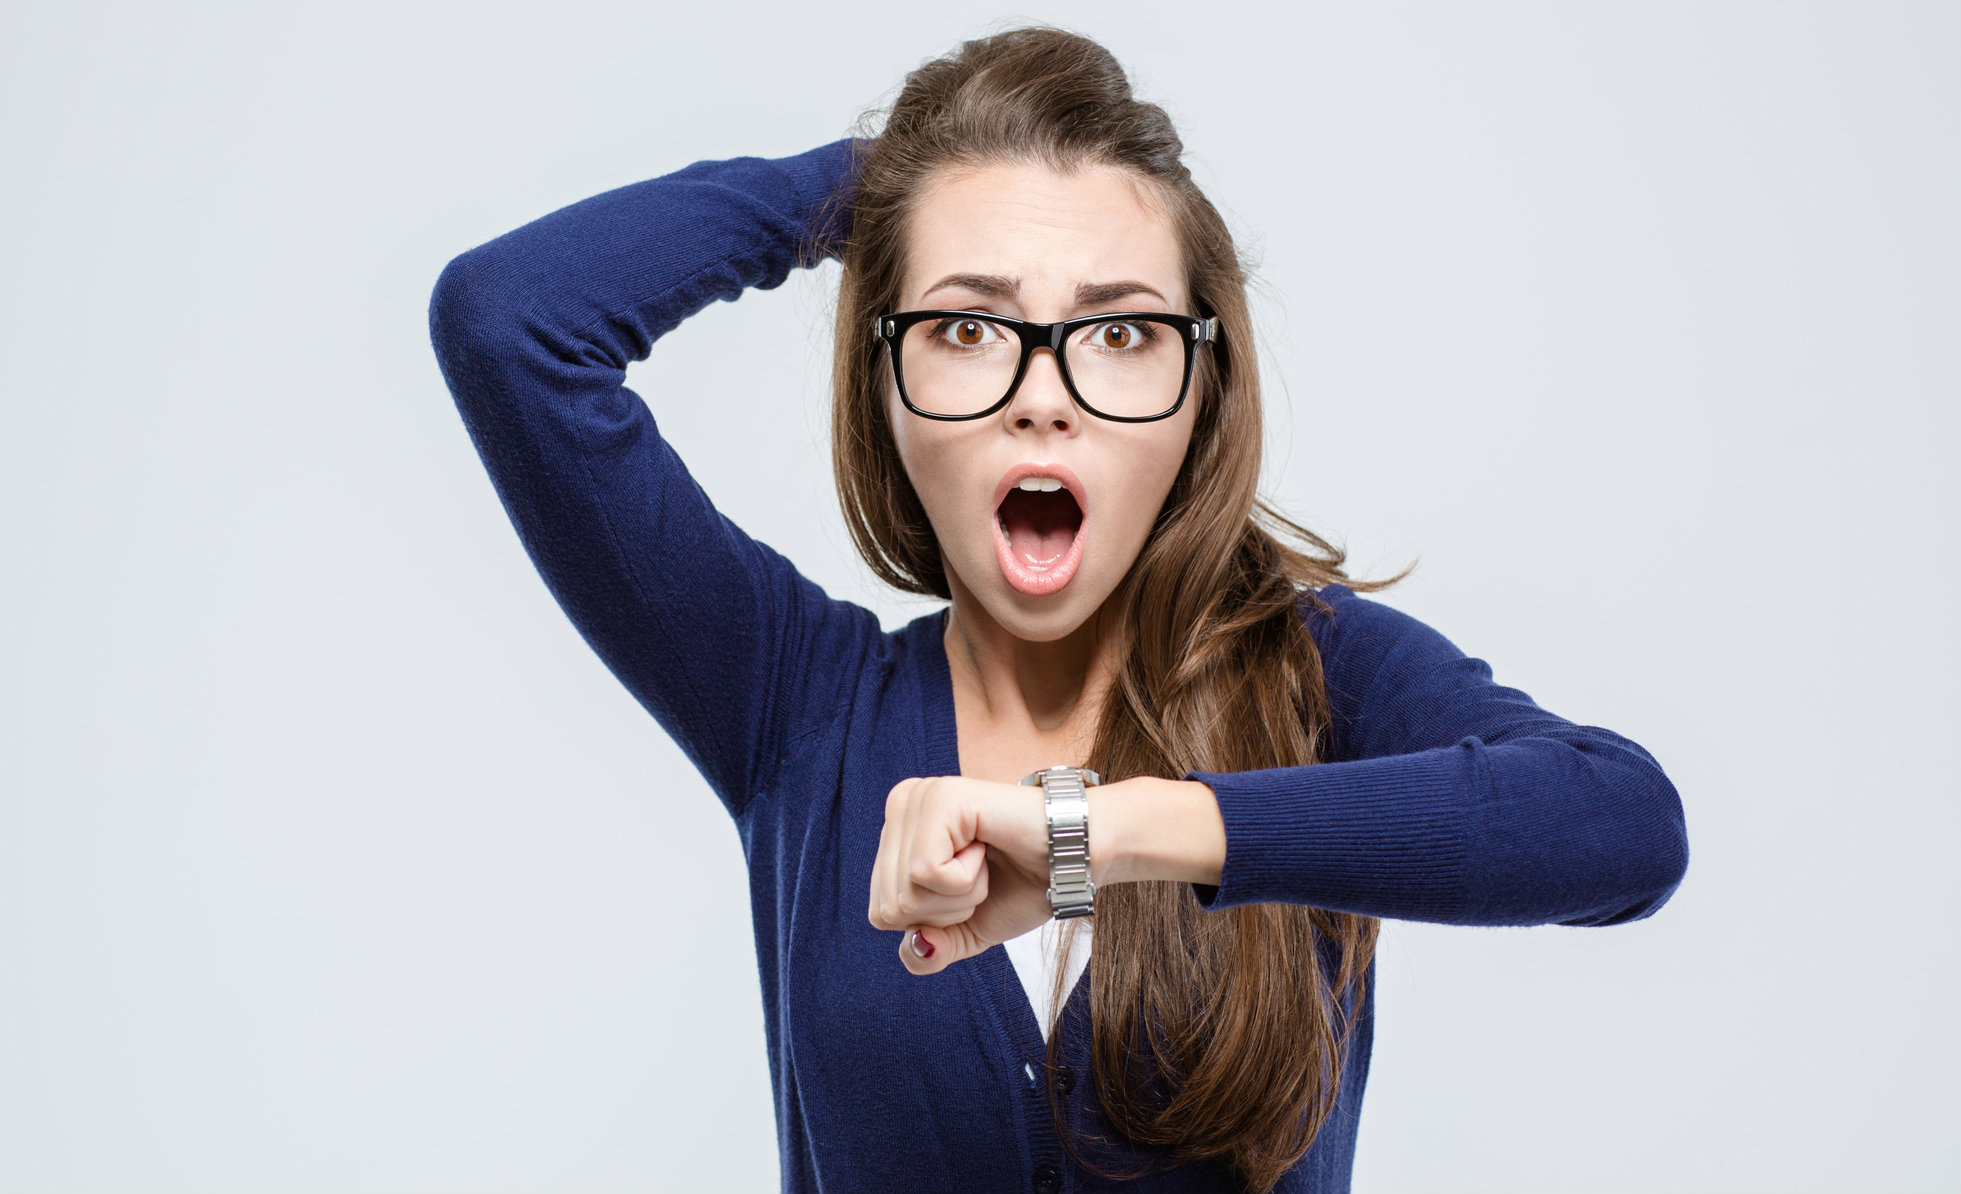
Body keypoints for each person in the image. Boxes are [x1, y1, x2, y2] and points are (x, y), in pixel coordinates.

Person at [427, 26, 1688, 1194]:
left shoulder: (1319, 676)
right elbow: (512, 323)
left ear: (1202, 390)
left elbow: (1623, 826)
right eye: (971, 326)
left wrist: (1105, 833)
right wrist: (889, 179)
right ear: (887, 387)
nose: (1046, 397)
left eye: (1122, 334)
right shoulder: (794, 703)